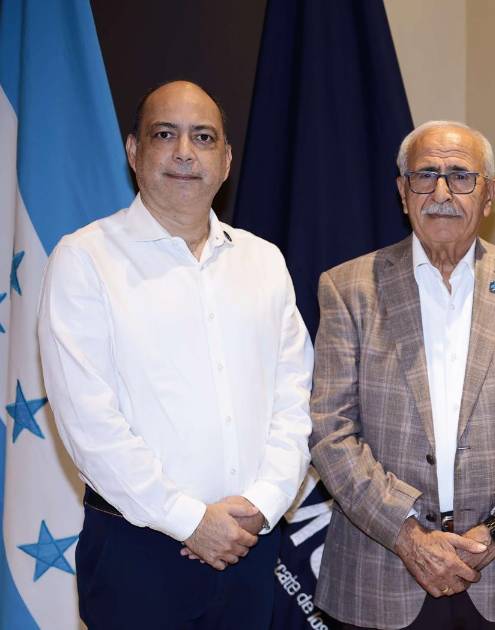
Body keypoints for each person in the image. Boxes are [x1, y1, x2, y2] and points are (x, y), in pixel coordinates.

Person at [38, 80, 313, 628]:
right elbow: (90, 424)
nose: (185, 152)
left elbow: (295, 401)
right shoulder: (85, 259)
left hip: (250, 547)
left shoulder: (263, 262)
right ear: (134, 151)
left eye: (203, 137)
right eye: (165, 135)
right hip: (138, 551)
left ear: (226, 159)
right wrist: (189, 519)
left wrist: (263, 503)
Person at [309, 120, 495, 630]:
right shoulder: (348, 288)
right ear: (402, 191)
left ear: (489, 195)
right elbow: (331, 433)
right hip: (382, 571)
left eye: (461, 176)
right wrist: (408, 535)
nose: (441, 193)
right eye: (425, 176)